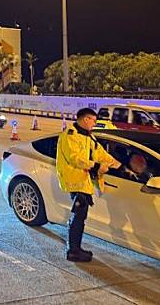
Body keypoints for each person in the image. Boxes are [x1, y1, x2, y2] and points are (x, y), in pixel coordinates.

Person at [56, 107, 121, 262]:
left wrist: (119, 165)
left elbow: (100, 153)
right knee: (78, 216)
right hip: (75, 181)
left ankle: (75, 249)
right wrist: (97, 166)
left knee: (79, 216)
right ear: (86, 119)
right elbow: (75, 158)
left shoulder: (87, 136)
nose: (94, 124)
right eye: (93, 121)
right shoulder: (70, 135)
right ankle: (73, 251)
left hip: (83, 181)